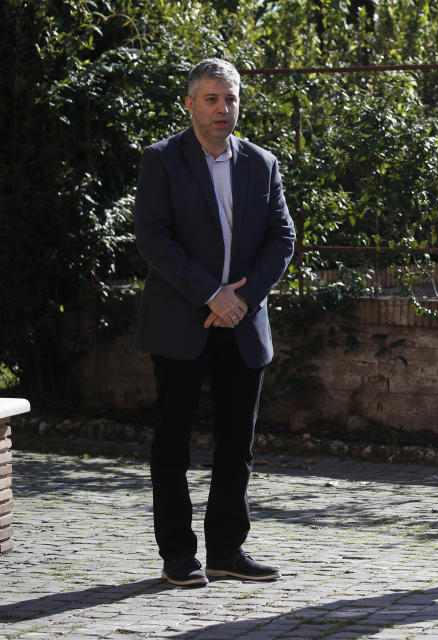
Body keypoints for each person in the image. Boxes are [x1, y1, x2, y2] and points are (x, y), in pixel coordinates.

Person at [135, 58, 296, 587]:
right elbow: (154, 238)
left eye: (231, 99)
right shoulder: (161, 160)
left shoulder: (261, 162)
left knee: (236, 444)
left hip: (242, 324)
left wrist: (240, 302)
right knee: (173, 443)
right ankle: (178, 554)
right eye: (212, 99)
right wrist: (211, 294)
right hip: (184, 321)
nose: (223, 109)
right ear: (190, 104)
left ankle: (228, 550)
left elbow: (282, 238)